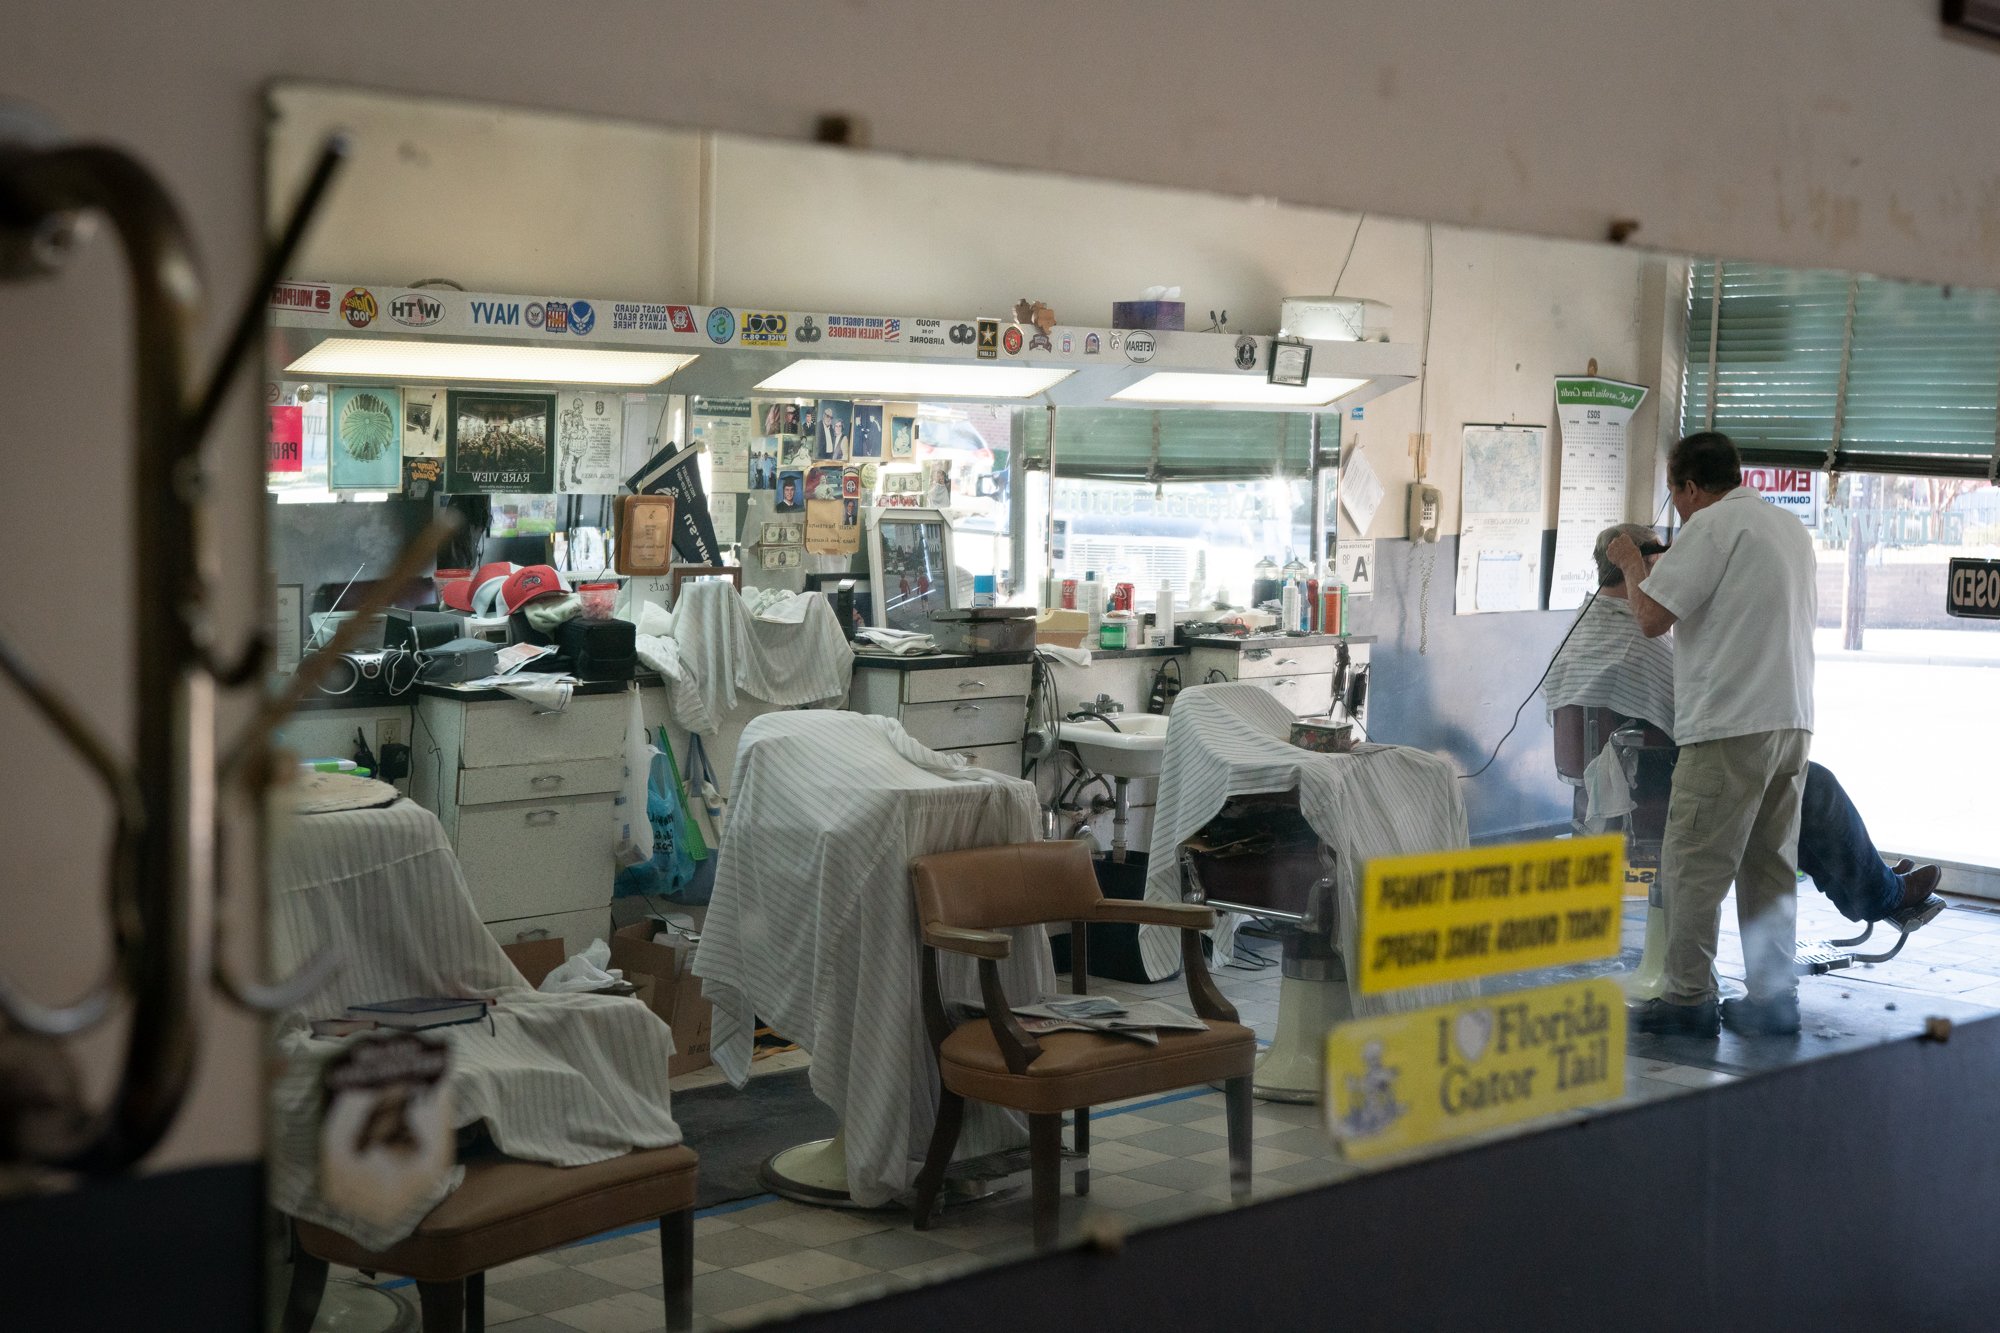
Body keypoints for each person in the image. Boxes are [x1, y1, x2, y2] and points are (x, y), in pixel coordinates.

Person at [1547, 521, 1944, 931]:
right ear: (1643, 563)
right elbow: (1694, 713)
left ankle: (1871, 884)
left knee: (1792, 792)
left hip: (1615, 790)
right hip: (1658, 791)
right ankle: (1881, 894)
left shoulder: (1586, 627)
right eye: (1664, 556)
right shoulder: (1638, 638)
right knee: (1809, 787)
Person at [1608, 431, 1818, 1037]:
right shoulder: (1787, 528)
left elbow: (1650, 619)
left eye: (1676, 495)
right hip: (1791, 720)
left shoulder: (1710, 528)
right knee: (1769, 868)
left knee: (1693, 866)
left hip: (1729, 725)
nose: (1677, 509)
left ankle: (1687, 999)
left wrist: (1630, 560)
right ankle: (1773, 1000)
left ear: (1691, 488)